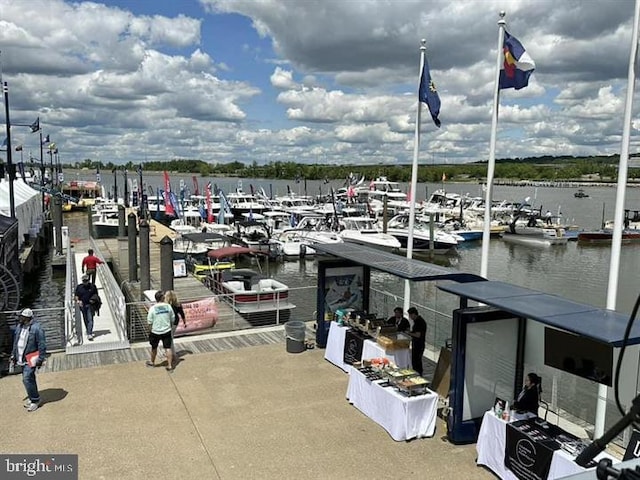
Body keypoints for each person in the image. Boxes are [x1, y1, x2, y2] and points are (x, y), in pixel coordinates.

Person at [10, 308, 47, 412]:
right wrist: (13, 355)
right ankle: (33, 398)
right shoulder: (19, 327)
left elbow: (42, 344)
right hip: (20, 357)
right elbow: (16, 342)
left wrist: (41, 358)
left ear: (26, 317)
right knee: (30, 378)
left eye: (21, 316)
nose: (19, 318)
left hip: (31, 358)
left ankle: (35, 400)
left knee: (26, 378)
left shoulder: (37, 328)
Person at [146, 290, 176, 372]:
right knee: (168, 348)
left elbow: (149, 321)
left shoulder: (152, 308)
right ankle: (170, 366)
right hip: (166, 330)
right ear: (163, 298)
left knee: (154, 347)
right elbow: (173, 318)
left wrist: (150, 330)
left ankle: (152, 362)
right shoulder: (168, 306)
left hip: (155, 331)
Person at [75, 274, 99, 341]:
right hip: (82, 305)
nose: (85, 282)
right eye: (84, 281)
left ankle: (89, 333)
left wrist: (94, 300)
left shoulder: (92, 287)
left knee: (90, 319)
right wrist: (78, 301)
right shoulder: (79, 287)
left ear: (89, 280)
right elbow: (76, 295)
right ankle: (88, 330)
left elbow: (96, 295)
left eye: (86, 280)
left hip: (90, 306)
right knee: (85, 319)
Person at [164, 290, 186, 360]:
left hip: (168, 322)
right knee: (170, 337)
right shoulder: (178, 304)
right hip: (175, 321)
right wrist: (185, 322)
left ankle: (172, 354)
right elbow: (182, 313)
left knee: (169, 338)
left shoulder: (166, 305)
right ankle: (171, 352)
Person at [407, 307, 427, 376]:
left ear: (414, 314)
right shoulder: (416, 321)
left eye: (410, 315)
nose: (410, 317)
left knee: (417, 361)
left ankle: (418, 374)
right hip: (416, 344)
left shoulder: (419, 322)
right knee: (415, 360)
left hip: (419, 344)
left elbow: (418, 335)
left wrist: (409, 333)